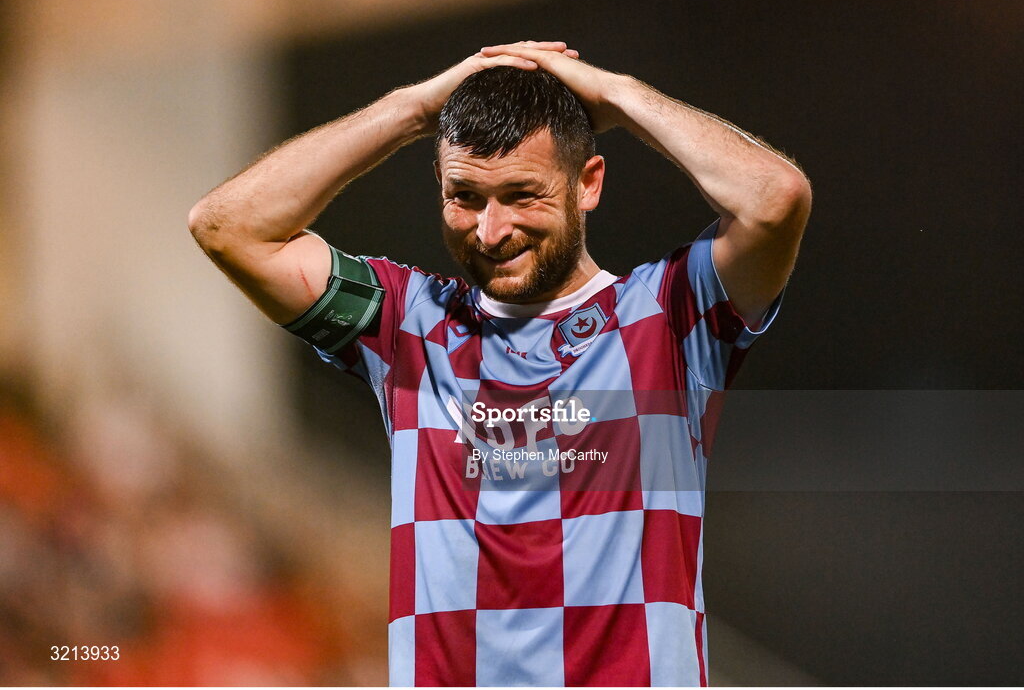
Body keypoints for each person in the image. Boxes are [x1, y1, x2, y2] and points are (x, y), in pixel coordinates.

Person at [188, 40, 811, 686]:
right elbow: (228, 226)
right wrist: (414, 107)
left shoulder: (668, 317)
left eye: (521, 194)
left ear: (588, 182)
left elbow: (776, 197)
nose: (490, 229)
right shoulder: (406, 325)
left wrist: (619, 95)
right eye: (465, 196)